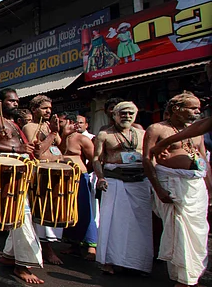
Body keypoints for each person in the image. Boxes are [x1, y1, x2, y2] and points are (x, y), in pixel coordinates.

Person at [144, 93, 210, 287]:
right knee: (179, 228)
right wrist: (159, 189)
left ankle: (194, 274)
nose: (197, 112)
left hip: (196, 185)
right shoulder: (157, 129)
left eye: (198, 108)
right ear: (176, 109)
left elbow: (204, 160)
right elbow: (147, 160)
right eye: (192, 108)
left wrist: (210, 189)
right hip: (171, 183)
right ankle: (183, 277)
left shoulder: (197, 131)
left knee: (199, 231)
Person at [0, 88, 44, 284]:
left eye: (17, 101)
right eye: (11, 101)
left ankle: (9, 255)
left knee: (18, 216)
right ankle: (22, 265)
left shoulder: (14, 123)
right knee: (20, 216)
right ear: (0, 103)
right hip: (7, 177)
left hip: (19, 174)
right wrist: (17, 148)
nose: (15, 104)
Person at [93, 102, 153, 276]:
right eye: (123, 113)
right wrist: (101, 177)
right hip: (115, 181)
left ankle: (138, 263)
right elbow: (97, 158)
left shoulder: (143, 134)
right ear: (114, 115)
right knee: (113, 223)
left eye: (130, 113)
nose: (127, 116)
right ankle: (109, 261)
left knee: (140, 224)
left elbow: (150, 157)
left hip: (139, 182)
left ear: (136, 115)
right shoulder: (104, 134)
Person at [22, 95, 64, 265]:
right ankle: (45, 248)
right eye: (44, 108)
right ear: (34, 110)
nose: (49, 111)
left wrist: (56, 131)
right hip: (40, 172)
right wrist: (53, 133)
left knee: (52, 210)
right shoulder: (29, 126)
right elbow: (37, 153)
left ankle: (47, 246)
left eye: (50, 108)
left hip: (55, 170)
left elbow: (60, 146)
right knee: (40, 210)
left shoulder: (48, 126)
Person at [58, 114, 98, 259]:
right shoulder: (60, 137)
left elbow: (94, 159)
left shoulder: (82, 139)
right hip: (64, 178)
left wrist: (84, 172)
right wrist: (64, 135)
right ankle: (74, 245)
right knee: (69, 211)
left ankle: (91, 247)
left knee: (84, 210)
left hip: (80, 177)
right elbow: (59, 152)